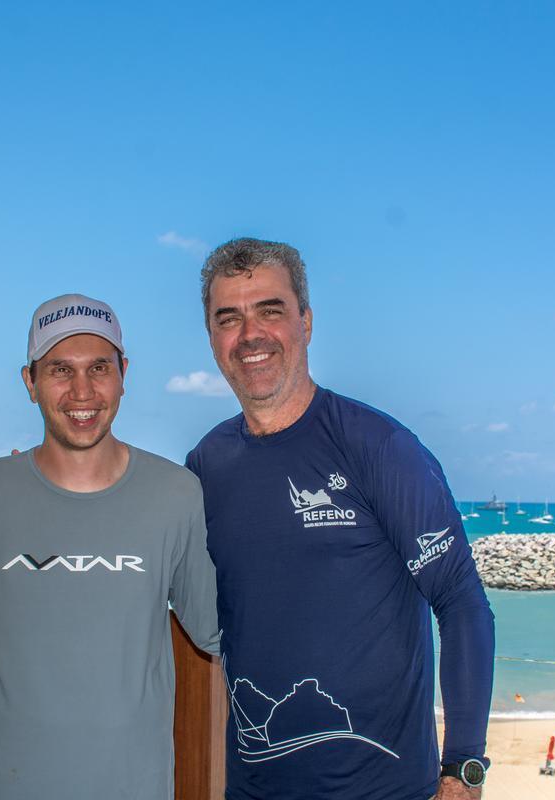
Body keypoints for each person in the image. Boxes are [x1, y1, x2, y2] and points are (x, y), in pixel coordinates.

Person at [184, 238, 495, 800]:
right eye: (228, 318)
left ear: (305, 320)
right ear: (212, 338)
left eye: (270, 311)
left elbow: (461, 601)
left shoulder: (379, 447)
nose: (250, 335)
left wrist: (463, 769)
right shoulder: (206, 465)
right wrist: (5, 498)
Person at [0, 293, 220, 800]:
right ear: (31, 382)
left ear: (123, 374)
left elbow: (217, 630)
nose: (82, 391)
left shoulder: (175, 493)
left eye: (99, 368)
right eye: (60, 370)